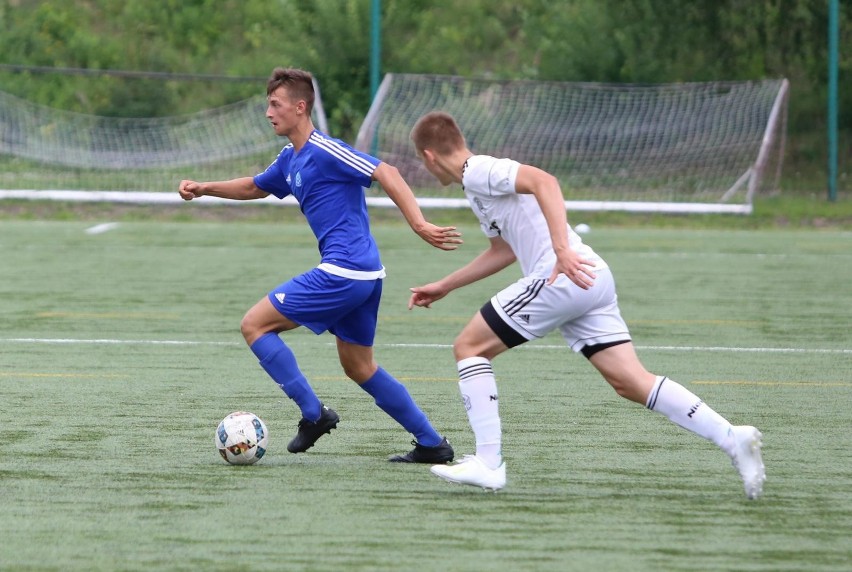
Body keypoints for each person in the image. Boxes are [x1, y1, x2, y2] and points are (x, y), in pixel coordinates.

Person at [406, 111, 765, 498]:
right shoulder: (474, 186)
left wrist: (560, 249)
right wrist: (446, 285)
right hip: (589, 277)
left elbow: (545, 182)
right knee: (630, 381)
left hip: (562, 276)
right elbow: (504, 251)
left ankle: (488, 463)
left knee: (469, 347)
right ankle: (732, 437)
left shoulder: (479, 170)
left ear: (428, 156)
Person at [179, 68, 461, 464]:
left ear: (300, 106)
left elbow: (387, 172)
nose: (268, 113)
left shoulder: (325, 149)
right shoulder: (289, 158)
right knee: (360, 367)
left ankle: (314, 415)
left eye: (275, 105)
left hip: (344, 272)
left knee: (254, 325)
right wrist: (205, 188)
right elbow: (256, 186)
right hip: (364, 275)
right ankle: (433, 443)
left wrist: (419, 223)